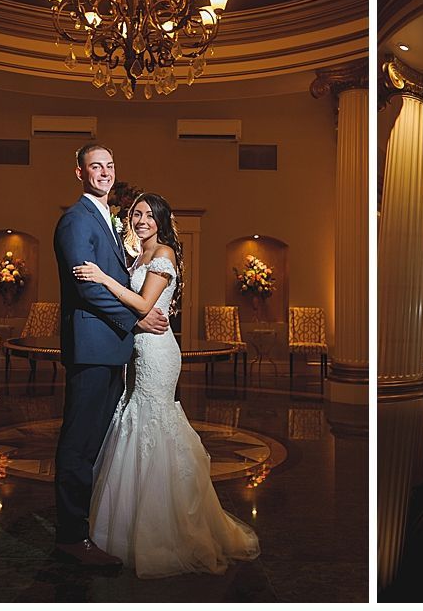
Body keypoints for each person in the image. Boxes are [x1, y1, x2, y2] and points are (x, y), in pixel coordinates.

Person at [73, 192, 260, 578]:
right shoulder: (137, 255)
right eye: (136, 214)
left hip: (158, 353)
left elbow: (143, 306)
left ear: (160, 220)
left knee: (154, 423)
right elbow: (134, 310)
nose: (141, 220)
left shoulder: (164, 255)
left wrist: (102, 277)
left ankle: (164, 529)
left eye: (148, 215)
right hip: (135, 350)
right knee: (131, 421)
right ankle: (125, 523)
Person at [53, 143, 170, 568]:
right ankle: (70, 536)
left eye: (109, 166)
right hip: (91, 348)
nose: (103, 172)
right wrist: (135, 321)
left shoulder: (110, 220)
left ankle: (90, 524)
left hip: (111, 349)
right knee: (79, 442)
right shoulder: (75, 220)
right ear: (79, 172)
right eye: (94, 166)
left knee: (99, 442)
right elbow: (85, 286)